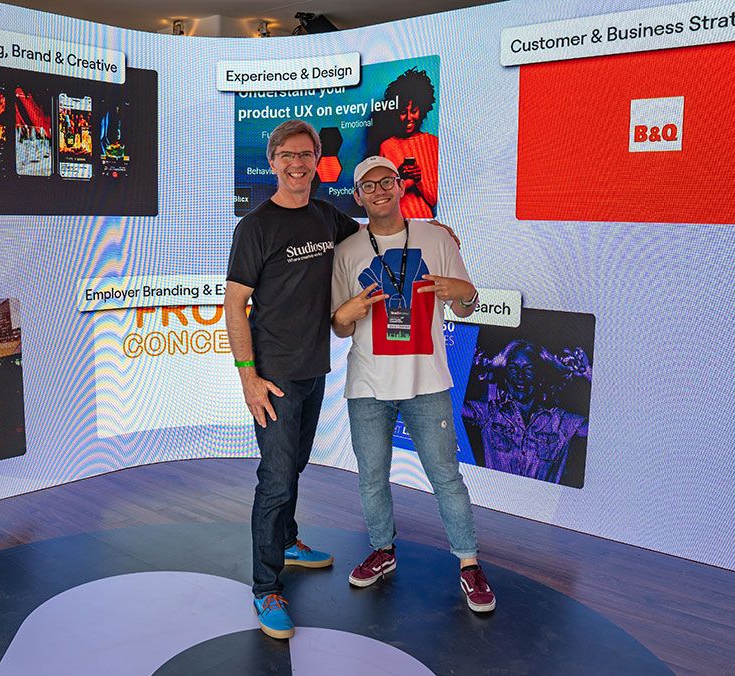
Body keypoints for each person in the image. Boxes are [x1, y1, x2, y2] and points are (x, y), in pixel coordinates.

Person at [330, 156, 496, 613]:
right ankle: (382, 549)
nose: (379, 191)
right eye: (368, 186)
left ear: (401, 186)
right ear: (357, 196)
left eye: (386, 181)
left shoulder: (436, 238)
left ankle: (469, 563)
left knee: (445, 476)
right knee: (371, 477)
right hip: (368, 384)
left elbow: (465, 305)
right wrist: (345, 315)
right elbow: (340, 325)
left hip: (427, 381)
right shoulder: (347, 251)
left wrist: (465, 293)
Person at [225, 120, 358, 640]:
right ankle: (265, 587)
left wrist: (435, 234)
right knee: (277, 479)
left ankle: (287, 541)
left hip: (313, 369)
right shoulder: (255, 226)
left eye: (306, 155)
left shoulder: (327, 217)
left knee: (294, 467)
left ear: (317, 161)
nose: (297, 164)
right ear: (273, 162)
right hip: (274, 376)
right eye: (288, 155)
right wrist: (248, 378)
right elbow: (235, 306)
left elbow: (376, 236)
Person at [462, 340, 590, 483]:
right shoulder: (489, 413)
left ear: (541, 377)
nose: (520, 376)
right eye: (513, 368)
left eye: (529, 369)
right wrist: (464, 361)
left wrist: (588, 373)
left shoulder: (561, 422)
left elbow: (603, 431)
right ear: (505, 376)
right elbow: (449, 406)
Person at [375, 68, 439, 219]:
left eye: (414, 110)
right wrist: (398, 178)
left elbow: (434, 200)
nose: (409, 117)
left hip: (424, 223)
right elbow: (380, 198)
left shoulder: (433, 143)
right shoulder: (386, 146)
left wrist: (419, 180)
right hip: (392, 224)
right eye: (403, 112)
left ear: (423, 109)